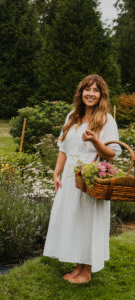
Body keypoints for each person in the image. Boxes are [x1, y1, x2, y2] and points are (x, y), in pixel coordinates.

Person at [43, 74, 121, 284]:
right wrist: (56, 173)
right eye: (87, 89)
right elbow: (63, 148)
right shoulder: (72, 116)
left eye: (96, 90)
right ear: (81, 92)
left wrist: (95, 141)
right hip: (70, 178)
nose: (91, 94)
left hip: (90, 178)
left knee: (88, 222)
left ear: (101, 95)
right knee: (75, 221)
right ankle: (78, 267)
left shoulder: (106, 120)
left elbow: (111, 154)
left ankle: (86, 271)